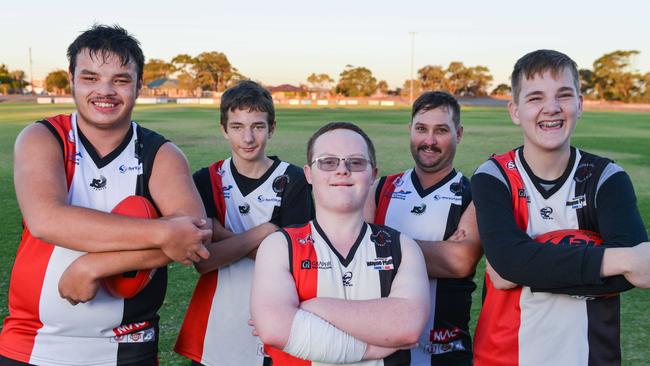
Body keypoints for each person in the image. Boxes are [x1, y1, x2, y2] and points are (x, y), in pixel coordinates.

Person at [0, 25, 212, 366]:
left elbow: (194, 235)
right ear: (71, 80)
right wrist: (162, 232)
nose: (105, 91)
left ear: (140, 85)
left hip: (128, 347)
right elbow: (46, 219)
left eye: (121, 80)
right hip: (33, 343)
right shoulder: (43, 137)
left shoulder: (160, 154)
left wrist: (94, 265)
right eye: (90, 77)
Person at [471, 49, 650, 366]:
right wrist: (620, 257)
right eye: (535, 98)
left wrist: (525, 266)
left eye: (564, 95)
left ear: (580, 104)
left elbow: (635, 275)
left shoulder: (605, 178)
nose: (551, 108)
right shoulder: (493, 176)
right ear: (515, 111)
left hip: (592, 357)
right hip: (503, 357)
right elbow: (508, 261)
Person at [251, 122, 430, 365]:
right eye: (328, 162)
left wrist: (311, 307)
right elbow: (275, 328)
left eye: (355, 162)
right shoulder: (280, 246)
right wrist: (371, 350)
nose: (342, 170)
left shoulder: (402, 247)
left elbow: (406, 327)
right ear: (308, 174)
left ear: (373, 175)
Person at [174, 80, 314, 366]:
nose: (247, 138)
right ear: (224, 129)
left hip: (276, 317)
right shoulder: (206, 180)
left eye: (258, 126)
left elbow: (293, 263)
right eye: (237, 127)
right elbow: (203, 261)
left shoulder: (294, 181)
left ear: (272, 128)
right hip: (217, 321)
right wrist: (266, 231)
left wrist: (222, 234)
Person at [364, 91, 481, 365]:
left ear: (459, 134)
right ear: (410, 131)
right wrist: (441, 251)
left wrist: (382, 245)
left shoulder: (474, 194)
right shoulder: (380, 187)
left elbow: (460, 262)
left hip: (445, 350)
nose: (429, 141)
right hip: (383, 348)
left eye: (441, 130)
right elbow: (359, 257)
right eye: (421, 129)